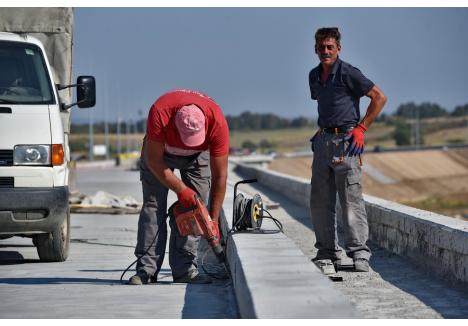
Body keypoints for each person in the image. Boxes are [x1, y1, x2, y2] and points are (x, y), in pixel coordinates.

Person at [129, 89, 229, 285]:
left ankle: (185, 270)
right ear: (175, 124)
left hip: (197, 158)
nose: (187, 145)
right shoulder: (161, 112)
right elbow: (155, 162)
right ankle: (146, 270)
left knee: (195, 209)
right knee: (153, 206)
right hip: (160, 153)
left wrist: (213, 219)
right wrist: (181, 190)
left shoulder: (217, 122)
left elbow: (220, 176)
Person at [308, 27, 387, 272]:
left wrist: (361, 129)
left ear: (338, 49)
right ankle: (327, 252)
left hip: (347, 143)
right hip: (323, 143)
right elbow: (328, 106)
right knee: (320, 202)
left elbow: (379, 97)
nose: (325, 51)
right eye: (321, 47)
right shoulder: (313, 76)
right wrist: (322, 134)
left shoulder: (348, 72)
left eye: (330, 47)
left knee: (351, 201)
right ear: (315, 49)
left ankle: (359, 254)